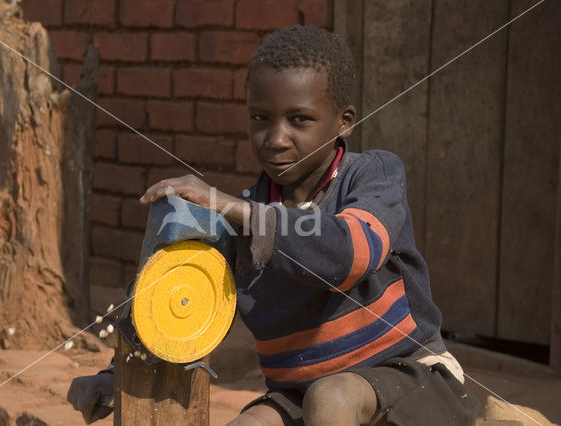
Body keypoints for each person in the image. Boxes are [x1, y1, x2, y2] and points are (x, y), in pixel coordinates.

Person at [68, 25, 478, 425]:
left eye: (299, 120)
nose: (276, 138)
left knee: (331, 396)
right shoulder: (237, 221)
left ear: (344, 121)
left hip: (411, 377)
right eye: (261, 118)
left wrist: (228, 206)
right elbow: (181, 306)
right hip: (297, 396)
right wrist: (112, 375)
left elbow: (350, 253)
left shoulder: (373, 176)